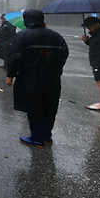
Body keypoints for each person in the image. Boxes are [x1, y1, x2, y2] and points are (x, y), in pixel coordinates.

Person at [6, 9, 68, 148]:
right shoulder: (56, 36)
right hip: (53, 78)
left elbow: (16, 58)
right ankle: (47, 137)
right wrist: (55, 67)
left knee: (34, 107)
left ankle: (37, 139)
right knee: (50, 107)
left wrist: (10, 75)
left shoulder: (23, 36)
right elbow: (64, 54)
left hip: (31, 78)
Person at [80, 16, 100, 111]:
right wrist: (87, 41)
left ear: (97, 24)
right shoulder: (97, 35)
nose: (88, 28)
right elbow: (96, 44)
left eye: (89, 26)